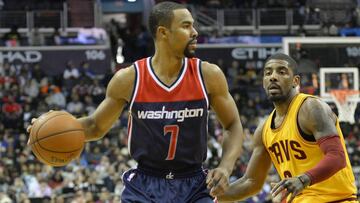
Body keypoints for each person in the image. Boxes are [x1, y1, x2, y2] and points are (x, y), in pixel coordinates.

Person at [27, 2, 244, 202]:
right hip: (144, 186)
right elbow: (95, 126)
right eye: (186, 26)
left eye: (193, 26)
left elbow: (233, 125)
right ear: (163, 33)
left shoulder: (208, 75)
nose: (195, 32)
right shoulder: (129, 78)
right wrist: (46, 130)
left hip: (194, 184)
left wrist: (225, 167)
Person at [217, 53, 358, 203]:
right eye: (268, 73)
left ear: (295, 81)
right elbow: (250, 182)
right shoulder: (263, 130)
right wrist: (206, 197)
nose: (273, 77)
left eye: (281, 72)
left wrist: (303, 180)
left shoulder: (310, 108)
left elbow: (337, 157)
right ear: (263, 82)